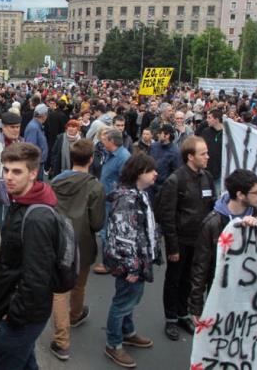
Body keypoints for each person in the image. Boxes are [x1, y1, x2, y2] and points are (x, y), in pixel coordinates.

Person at [0, 142, 60, 370]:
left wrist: (14, 313)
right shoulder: (22, 202)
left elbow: (37, 277)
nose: (8, 177)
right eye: (6, 170)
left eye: (16, 171)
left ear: (33, 173)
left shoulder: (36, 218)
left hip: (22, 316)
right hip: (20, 310)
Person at [188, 169, 257, 321]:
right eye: (256, 192)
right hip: (223, 292)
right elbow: (200, 267)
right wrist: (196, 307)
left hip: (252, 292)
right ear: (240, 195)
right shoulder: (212, 224)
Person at [49, 139, 106, 361]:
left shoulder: (56, 182)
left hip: (60, 240)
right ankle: (75, 314)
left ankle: (62, 341)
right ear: (91, 159)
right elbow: (97, 223)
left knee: (59, 291)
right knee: (79, 283)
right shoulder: (95, 186)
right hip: (82, 243)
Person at [155, 136, 216, 341]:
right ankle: (171, 318)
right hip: (180, 241)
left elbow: (212, 208)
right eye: (203, 153)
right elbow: (167, 216)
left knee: (189, 280)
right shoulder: (176, 180)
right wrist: (172, 247)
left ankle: (183, 314)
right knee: (174, 280)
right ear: (190, 156)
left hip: (200, 242)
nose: (208, 156)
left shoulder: (207, 177)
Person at [103, 154, 161, 368]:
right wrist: (132, 266)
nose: (156, 173)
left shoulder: (140, 194)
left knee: (130, 299)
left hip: (139, 260)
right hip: (131, 264)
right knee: (123, 301)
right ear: (139, 173)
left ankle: (128, 332)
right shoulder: (127, 199)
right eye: (151, 170)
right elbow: (123, 236)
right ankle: (113, 343)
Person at [148, 124, 183, 198]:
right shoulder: (153, 146)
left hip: (163, 190)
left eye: (160, 133)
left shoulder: (175, 152)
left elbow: (177, 173)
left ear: (167, 136)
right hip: (149, 187)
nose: (158, 135)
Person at [23, 104, 49, 180]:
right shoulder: (33, 127)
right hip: (35, 164)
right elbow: (30, 148)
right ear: (43, 115)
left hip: (38, 162)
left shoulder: (36, 126)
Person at [200, 109, 224, 192]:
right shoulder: (205, 132)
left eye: (209, 118)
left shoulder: (226, 134)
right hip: (205, 171)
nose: (207, 120)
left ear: (216, 119)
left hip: (219, 173)